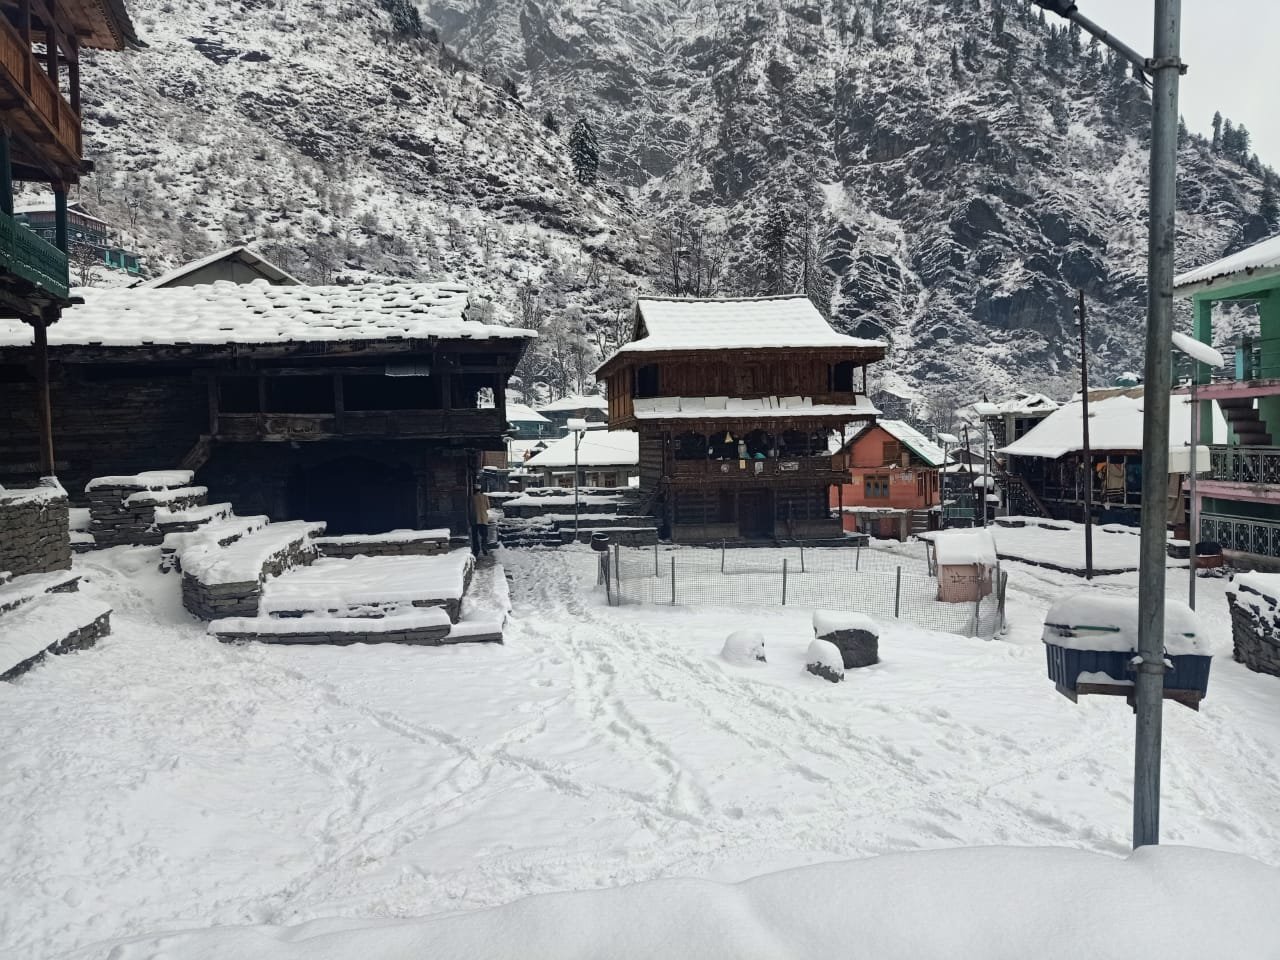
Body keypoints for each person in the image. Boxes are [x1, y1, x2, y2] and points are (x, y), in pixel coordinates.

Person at [471, 485, 492, 556]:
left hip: (475, 519)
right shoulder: (485, 497)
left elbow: (470, 508)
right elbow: (488, 507)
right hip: (483, 519)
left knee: (475, 536)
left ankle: (476, 550)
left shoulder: (472, 498)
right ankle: (484, 547)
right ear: (480, 489)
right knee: (484, 535)